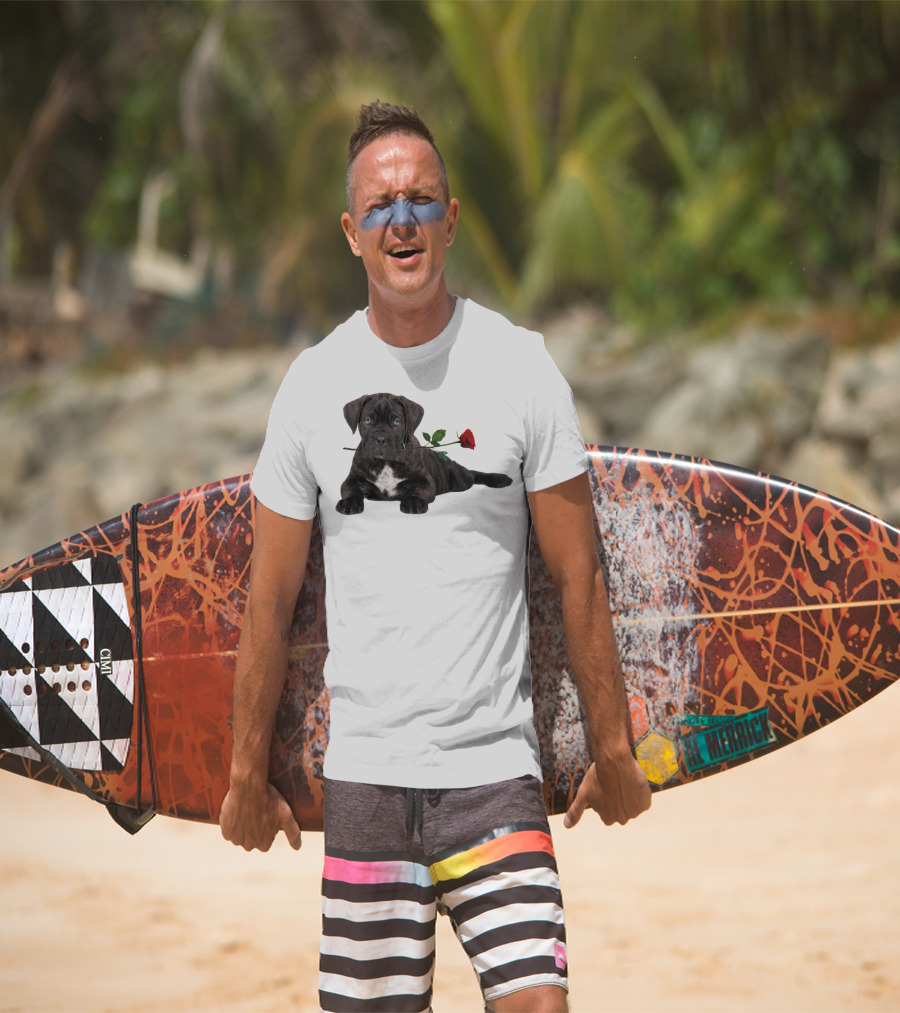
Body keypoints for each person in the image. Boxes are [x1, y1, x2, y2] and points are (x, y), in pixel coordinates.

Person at [220, 100, 651, 1013]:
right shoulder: (313, 386)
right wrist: (242, 772)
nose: (402, 220)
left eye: (421, 200)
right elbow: (270, 599)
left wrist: (612, 746)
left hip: (495, 773)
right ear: (351, 232)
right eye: (380, 206)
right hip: (368, 778)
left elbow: (579, 574)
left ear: (451, 219)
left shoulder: (521, 367)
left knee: (540, 1003)